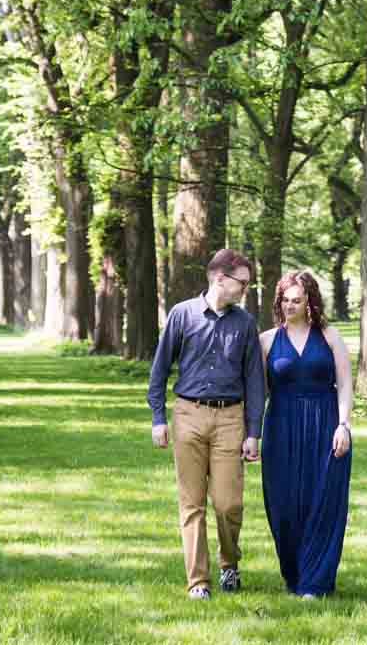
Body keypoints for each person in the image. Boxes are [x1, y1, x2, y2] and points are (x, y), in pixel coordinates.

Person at [147, 248, 266, 601]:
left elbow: (255, 381)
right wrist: (157, 418)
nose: (245, 288)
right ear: (220, 278)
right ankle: (198, 581)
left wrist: (254, 431)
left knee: (229, 504)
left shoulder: (245, 323)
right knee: (192, 503)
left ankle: (229, 563)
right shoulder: (181, 315)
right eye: (242, 282)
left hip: (231, 418)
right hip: (188, 414)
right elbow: (159, 371)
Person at [260, 269, 352, 599]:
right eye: (284, 300)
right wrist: (249, 434)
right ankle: (293, 574)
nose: (290, 306)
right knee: (284, 503)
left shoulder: (328, 335)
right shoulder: (268, 341)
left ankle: (316, 580)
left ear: (310, 301)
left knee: (323, 500)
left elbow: (344, 384)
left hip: (325, 425)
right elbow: (260, 394)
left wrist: (344, 425)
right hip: (281, 427)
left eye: (296, 300)